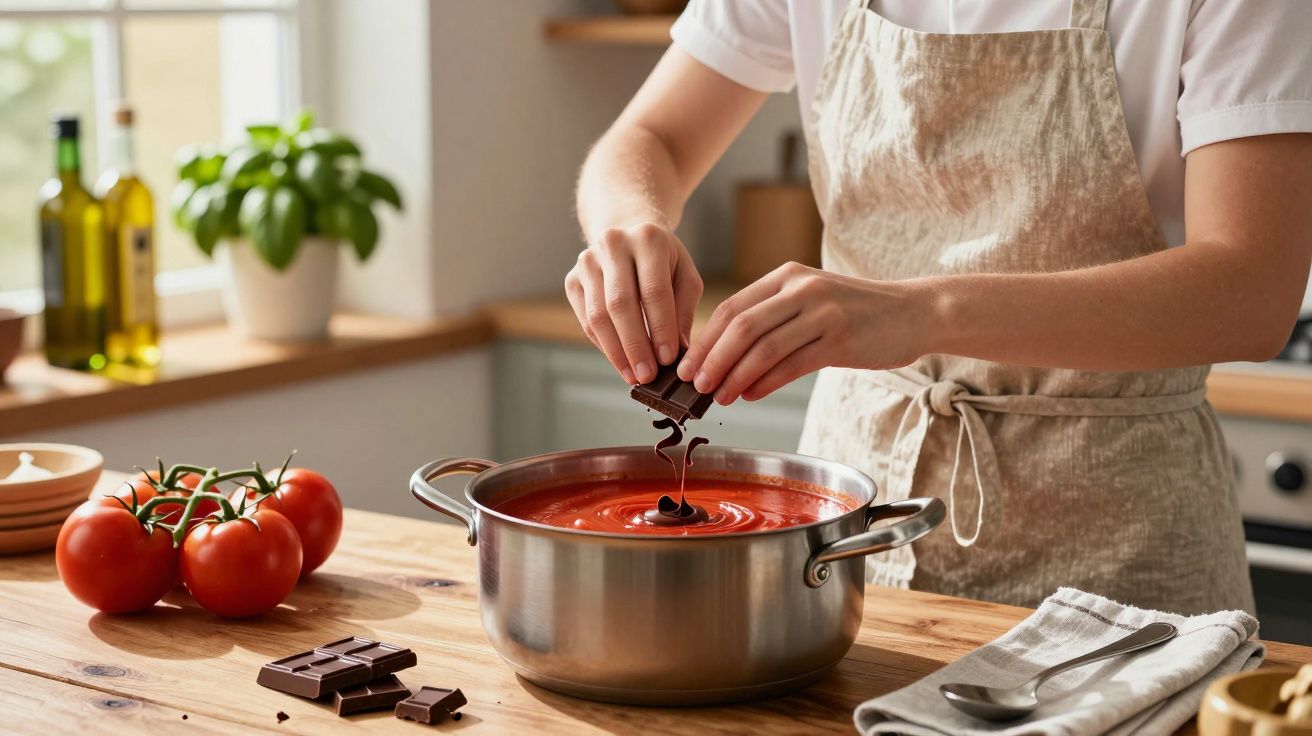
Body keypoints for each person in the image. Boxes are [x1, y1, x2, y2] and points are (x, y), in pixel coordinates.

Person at [565, 0, 1312, 615]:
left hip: (1123, 553)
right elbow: (651, 136)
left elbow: (1252, 292)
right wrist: (629, 224)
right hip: (851, 529)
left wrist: (924, 312)